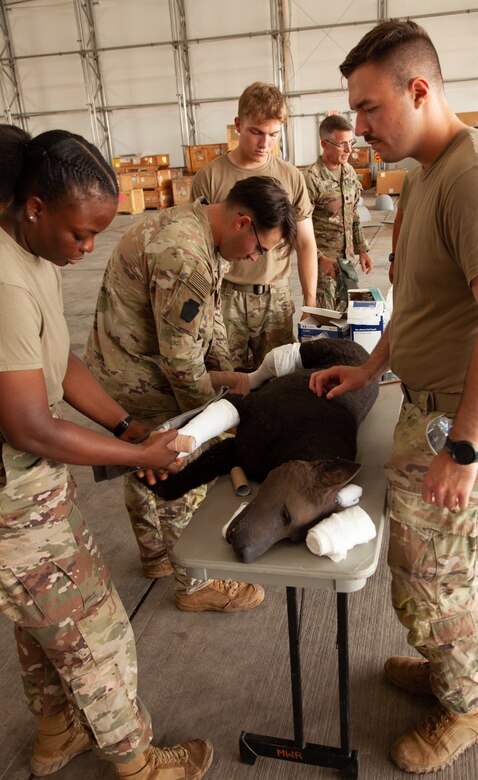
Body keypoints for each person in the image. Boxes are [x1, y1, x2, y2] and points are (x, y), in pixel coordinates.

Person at [309, 19, 478, 775]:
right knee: (420, 568)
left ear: (419, 89)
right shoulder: (426, 172)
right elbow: (419, 303)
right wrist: (370, 371)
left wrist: (463, 449)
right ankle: (442, 665)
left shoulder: (472, 174)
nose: (357, 128)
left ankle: (467, 707)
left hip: (462, 423)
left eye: (368, 109)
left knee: (438, 577)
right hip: (426, 409)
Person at [0, 126, 212, 778]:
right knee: (97, 632)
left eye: (98, 233)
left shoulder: (29, 253)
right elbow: (31, 427)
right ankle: (138, 760)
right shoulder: (3, 280)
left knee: (44, 628)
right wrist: (138, 455)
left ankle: (56, 734)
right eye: (80, 235)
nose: (89, 248)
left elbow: (57, 361)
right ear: (34, 205)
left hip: (26, 489)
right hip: (13, 499)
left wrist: (127, 432)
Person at [86, 176, 296, 611]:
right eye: (259, 248)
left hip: (124, 368)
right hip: (146, 377)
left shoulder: (198, 225)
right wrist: (208, 424)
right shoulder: (185, 257)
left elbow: (209, 317)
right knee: (179, 466)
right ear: (243, 223)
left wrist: (228, 373)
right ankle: (195, 584)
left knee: (140, 463)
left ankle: (155, 555)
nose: (256, 258)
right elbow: (181, 363)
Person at [190, 81, 318, 370]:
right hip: (226, 297)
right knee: (225, 378)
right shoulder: (210, 178)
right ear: (238, 124)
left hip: (276, 296)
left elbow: (306, 242)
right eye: (255, 132)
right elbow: (198, 248)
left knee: (279, 377)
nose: (264, 144)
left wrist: (309, 303)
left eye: (273, 134)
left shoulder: (291, 177)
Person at [303, 114, 373, 310]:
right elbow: (299, 228)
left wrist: (362, 249)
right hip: (322, 268)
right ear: (325, 144)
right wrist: (318, 258)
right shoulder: (311, 179)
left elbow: (353, 215)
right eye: (343, 144)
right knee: (323, 324)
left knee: (350, 317)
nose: (349, 150)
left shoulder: (349, 172)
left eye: (351, 142)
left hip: (347, 263)